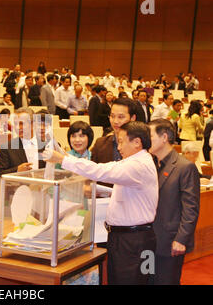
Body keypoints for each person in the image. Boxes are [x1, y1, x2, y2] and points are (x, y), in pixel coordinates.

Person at [44, 121, 158, 285]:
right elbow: (121, 184)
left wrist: (62, 159)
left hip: (133, 241)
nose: (118, 147)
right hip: (131, 238)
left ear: (137, 142)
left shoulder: (138, 165)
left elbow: (100, 171)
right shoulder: (136, 161)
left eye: (121, 141)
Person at [148, 119, 200, 285]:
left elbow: (190, 208)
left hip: (170, 242)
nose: (145, 140)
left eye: (149, 135)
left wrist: (181, 239)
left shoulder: (184, 167)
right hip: (147, 242)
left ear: (164, 137)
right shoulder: (150, 165)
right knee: (146, 279)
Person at [0, 107, 47, 180]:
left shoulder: (45, 145)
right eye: (16, 123)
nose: (17, 127)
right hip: (19, 189)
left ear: (32, 124)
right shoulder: (7, 147)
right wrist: (17, 170)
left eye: (21, 124)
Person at [91, 97, 137, 164]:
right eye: (112, 116)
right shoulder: (100, 144)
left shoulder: (140, 146)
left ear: (132, 118)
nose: (115, 121)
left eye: (121, 117)